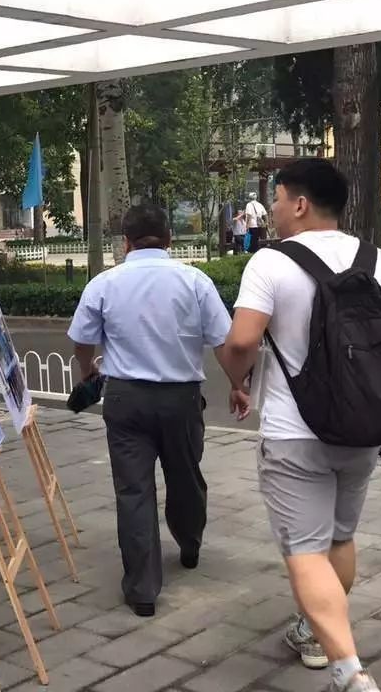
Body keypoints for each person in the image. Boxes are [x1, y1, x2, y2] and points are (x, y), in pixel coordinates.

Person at [218, 159, 381, 692]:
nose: (274, 208)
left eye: (278, 198)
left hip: (294, 432)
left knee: (305, 550)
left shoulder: (270, 262)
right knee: (340, 538)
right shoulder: (380, 263)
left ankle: (348, 672)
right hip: (363, 429)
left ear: (300, 203)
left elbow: (241, 340)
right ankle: (312, 633)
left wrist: (236, 378)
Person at [67, 202, 232, 618]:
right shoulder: (194, 281)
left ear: (125, 242)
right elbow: (224, 340)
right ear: (169, 239)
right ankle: (190, 544)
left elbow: (82, 340)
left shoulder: (104, 284)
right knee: (186, 476)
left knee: (133, 490)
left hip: (125, 400)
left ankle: (142, 590)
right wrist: (239, 385)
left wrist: (88, 372)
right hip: (181, 399)